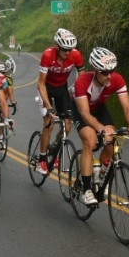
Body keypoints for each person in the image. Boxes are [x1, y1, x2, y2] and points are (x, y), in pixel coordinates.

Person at [71, 47, 129, 206]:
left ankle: (102, 175)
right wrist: (101, 128)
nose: (109, 75)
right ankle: (88, 190)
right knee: (90, 141)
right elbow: (85, 113)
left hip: (99, 108)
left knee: (115, 140)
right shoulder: (81, 82)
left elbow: (127, 107)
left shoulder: (116, 79)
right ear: (95, 70)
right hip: (81, 110)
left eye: (111, 71)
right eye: (104, 72)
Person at [35, 29, 85, 176]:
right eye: (64, 49)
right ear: (57, 46)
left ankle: (55, 148)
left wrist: (80, 102)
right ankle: (42, 159)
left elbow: (82, 80)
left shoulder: (76, 55)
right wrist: (49, 108)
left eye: (69, 49)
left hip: (61, 89)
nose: (67, 52)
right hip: (46, 89)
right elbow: (41, 84)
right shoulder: (48, 54)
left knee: (67, 125)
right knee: (49, 123)